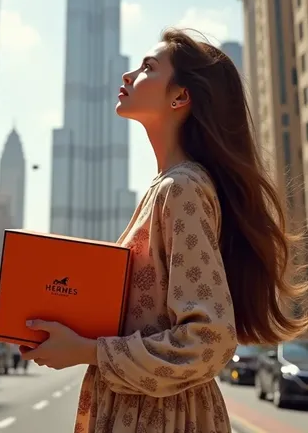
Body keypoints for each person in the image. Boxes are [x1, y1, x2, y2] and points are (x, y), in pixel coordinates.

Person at [20, 29, 308, 432]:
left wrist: (88, 351)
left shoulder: (182, 188)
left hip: (160, 418)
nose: (127, 75)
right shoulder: (164, 187)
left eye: (147, 67)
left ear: (180, 97)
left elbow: (208, 340)